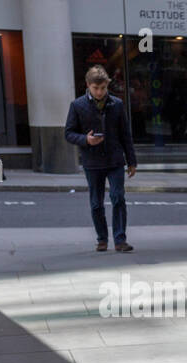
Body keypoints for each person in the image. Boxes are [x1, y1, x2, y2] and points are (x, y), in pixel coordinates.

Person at [64, 65, 138, 252]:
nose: (99, 92)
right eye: (96, 88)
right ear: (88, 85)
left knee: (118, 197)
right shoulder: (78, 105)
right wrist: (86, 140)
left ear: (107, 86)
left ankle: (120, 240)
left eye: (103, 88)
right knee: (96, 203)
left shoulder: (117, 104)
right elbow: (69, 133)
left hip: (114, 160)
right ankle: (102, 238)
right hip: (92, 161)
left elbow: (125, 134)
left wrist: (132, 161)